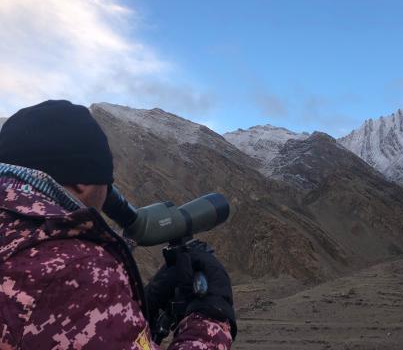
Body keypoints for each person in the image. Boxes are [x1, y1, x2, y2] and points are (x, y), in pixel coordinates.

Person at [0, 100, 236, 349]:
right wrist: (212, 315)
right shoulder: (74, 266)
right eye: (107, 184)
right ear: (82, 181)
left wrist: (135, 308)